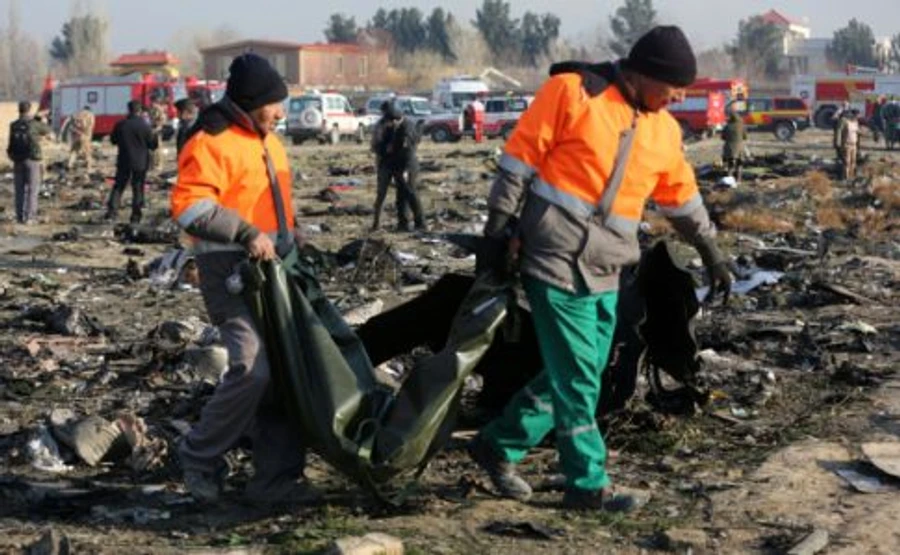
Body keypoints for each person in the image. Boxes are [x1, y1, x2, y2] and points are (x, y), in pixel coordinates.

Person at [467, 26, 732, 512]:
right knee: (578, 377)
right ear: (643, 73)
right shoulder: (573, 92)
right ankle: (587, 483)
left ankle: (499, 444)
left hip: (607, 265)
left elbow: (681, 197)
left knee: (583, 368)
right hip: (553, 255)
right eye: (673, 88)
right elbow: (518, 161)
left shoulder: (663, 130)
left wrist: (711, 251)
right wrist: (497, 228)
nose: (678, 98)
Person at [170, 53, 314, 506]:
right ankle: (198, 456)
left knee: (284, 372)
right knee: (252, 370)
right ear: (251, 103)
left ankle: (275, 479)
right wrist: (247, 233)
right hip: (229, 272)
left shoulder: (267, 140)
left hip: (274, 270)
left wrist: (292, 232)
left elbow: (268, 200)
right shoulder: (210, 140)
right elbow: (189, 208)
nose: (281, 113)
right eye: (275, 104)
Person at [371, 102, 426, 232]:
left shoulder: (406, 129)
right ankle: (403, 224)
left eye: (390, 122)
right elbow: (379, 145)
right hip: (397, 165)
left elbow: (409, 151)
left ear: (395, 120)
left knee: (411, 194)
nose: (388, 125)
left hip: (407, 165)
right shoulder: (395, 127)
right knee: (400, 196)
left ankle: (421, 223)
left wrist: (406, 170)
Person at [106, 100, 158, 224]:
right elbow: (153, 145)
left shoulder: (120, 125)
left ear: (129, 110)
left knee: (119, 186)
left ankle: (112, 213)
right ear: (140, 111)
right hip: (140, 162)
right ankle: (136, 216)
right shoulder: (145, 126)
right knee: (138, 188)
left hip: (123, 160)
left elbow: (113, 141)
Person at [6, 101, 52, 224]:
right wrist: (41, 118)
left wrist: (12, 156)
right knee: (32, 190)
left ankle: (19, 217)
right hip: (32, 160)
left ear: (19, 110)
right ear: (29, 109)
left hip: (17, 160)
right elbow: (48, 130)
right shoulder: (34, 124)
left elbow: (10, 143)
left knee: (19, 190)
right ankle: (30, 217)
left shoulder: (13, 125)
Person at [721, 103, 747, 183]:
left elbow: (722, 137)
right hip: (739, 148)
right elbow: (745, 137)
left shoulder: (727, 126)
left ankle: (729, 179)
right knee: (739, 164)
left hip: (729, 148)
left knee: (730, 165)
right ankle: (739, 180)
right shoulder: (742, 126)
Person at [67, 105, 95, 173]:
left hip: (76, 136)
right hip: (85, 136)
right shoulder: (90, 115)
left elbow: (71, 125)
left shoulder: (77, 114)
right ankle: (89, 168)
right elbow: (91, 126)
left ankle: (70, 164)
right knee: (88, 153)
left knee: (74, 151)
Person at [835, 109, 860, 181]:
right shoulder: (845, 122)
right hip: (847, 144)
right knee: (847, 162)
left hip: (854, 145)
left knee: (853, 161)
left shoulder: (855, 123)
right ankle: (846, 177)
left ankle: (851, 176)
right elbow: (839, 132)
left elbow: (858, 131)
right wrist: (838, 143)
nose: (857, 117)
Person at [149, 101, 167, 171]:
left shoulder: (160, 112)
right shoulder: (152, 111)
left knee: (158, 149)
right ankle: (152, 164)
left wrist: (156, 128)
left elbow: (161, 123)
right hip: (153, 131)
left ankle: (158, 164)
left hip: (157, 132)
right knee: (151, 150)